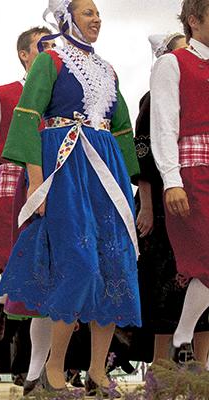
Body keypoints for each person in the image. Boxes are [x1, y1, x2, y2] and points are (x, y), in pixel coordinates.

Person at [0, 0, 141, 395]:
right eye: (88, 12)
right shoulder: (50, 60)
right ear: (67, 17)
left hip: (105, 166)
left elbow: (123, 128)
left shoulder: (108, 70)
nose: (97, 18)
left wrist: (132, 185)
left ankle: (97, 371)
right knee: (77, 263)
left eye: (98, 12)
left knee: (115, 264)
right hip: (65, 160)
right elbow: (27, 114)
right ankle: (52, 369)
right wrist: (37, 181)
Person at [0, 26, 55, 395]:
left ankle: (39, 373)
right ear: (24, 54)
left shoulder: (64, 95)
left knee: (52, 283)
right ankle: (6, 290)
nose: (52, 51)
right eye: (43, 46)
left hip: (58, 183)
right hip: (15, 188)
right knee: (28, 270)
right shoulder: (4, 95)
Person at [135, 33, 209, 366]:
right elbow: (145, 156)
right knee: (165, 287)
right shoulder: (153, 100)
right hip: (170, 196)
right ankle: (162, 367)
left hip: (197, 186)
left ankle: (197, 365)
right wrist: (147, 205)